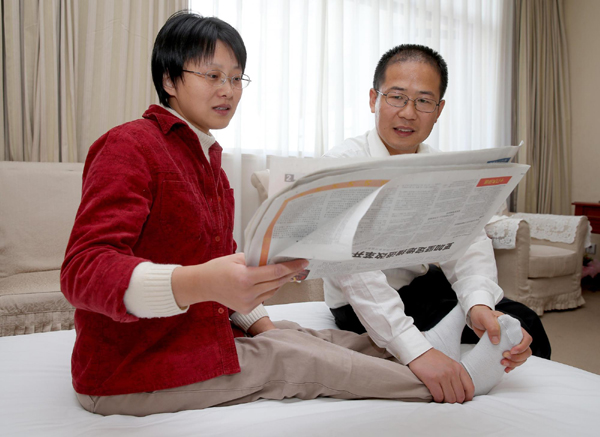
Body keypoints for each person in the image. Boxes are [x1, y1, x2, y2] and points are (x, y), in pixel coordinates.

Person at [61, 12, 448, 417]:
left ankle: (437, 355)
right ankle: (451, 386)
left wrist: (265, 326)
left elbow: (221, 265)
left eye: (235, 78)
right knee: (301, 360)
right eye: (212, 76)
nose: (227, 90)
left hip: (200, 332)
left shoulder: (207, 160)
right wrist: (200, 283)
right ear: (169, 80)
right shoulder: (130, 144)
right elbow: (83, 271)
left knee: (310, 339)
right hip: (132, 369)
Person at [322, 44, 551, 403]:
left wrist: (477, 303)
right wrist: (417, 351)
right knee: (496, 331)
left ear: (439, 110)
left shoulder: (443, 166)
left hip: (423, 286)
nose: (409, 113)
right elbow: (354, 274)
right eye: (397, 97)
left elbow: (469, 241)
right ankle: (453, 368)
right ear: (373, 99)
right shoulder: (344, 163)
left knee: (524, 322)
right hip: (359, 301)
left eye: (424, 101)